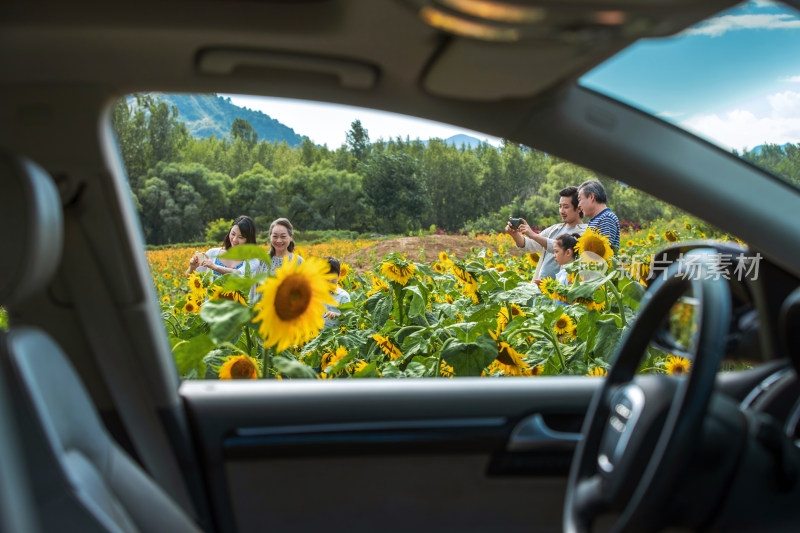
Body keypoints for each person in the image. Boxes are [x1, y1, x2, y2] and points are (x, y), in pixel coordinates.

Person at [505, 186, 587, 281]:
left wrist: (534, 235)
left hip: (561, 292)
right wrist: (514, 234)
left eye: (566, 207)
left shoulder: (585, 232)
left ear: (579, 208)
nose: (561, 211)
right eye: (560, 206)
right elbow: (529, 245)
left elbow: (564, 248)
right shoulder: (555, 229)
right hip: (540, 289)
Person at [186, 215, 259, 279]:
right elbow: (189, 277)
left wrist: (215, 267)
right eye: (233, 234)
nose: (234, 239)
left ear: (249, 240)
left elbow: (239, 273)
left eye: (241, 237)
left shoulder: (252, 260)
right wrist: (192, 267)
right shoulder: (213, 253)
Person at [250, 218, 305, 302]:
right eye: (275, 236)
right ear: (270, 237)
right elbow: (253, 292)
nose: (279, 240)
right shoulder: (262, 261)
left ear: (290, 237)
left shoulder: (299, 262)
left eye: (283, 236)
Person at [577, 179, 620, 252]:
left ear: (591, 197)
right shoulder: (598, 219)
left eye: (580, 200)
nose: (579, 205)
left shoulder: (606, 218)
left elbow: (603, 252)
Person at [322, 256, 351, 329]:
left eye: (332, 276)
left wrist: (336, 315)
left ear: (339, 275)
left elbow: (349, 317)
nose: (329, 280)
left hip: (335, 336)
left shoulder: (343, 295)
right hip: (316, 335)